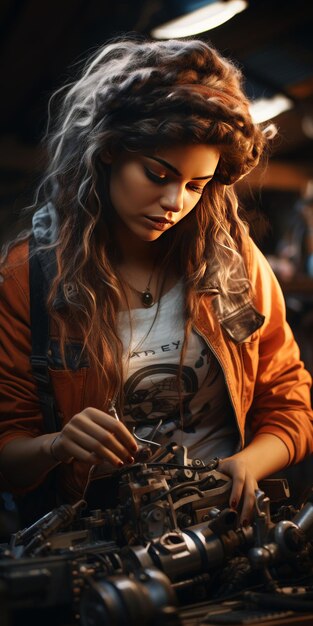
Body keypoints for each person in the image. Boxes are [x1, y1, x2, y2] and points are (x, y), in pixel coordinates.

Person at [0, 37, 313, 527]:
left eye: (195, 185)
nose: (175, 201)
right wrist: (55, 446)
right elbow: (8, 453)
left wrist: (249, 464)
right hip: (99, 538)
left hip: (225, 526)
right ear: (106, 152)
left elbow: (289, 399)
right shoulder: (28, 279)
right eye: (157, 173)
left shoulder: (234, 264)